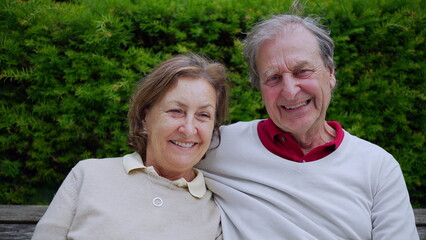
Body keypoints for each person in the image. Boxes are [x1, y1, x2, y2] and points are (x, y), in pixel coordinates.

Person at [196, 14, 419, 239]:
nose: (290, 91)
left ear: (330, 74)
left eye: (302, 71)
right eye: (273, 78)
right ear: (260, 87)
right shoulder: (217, 147)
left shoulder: (378, 168)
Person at [32, 53, 229, 240]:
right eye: (176, 111)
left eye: (203, 115)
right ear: (145, 118)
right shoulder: (89, 176)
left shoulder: (216, 210)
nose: (188, 129)